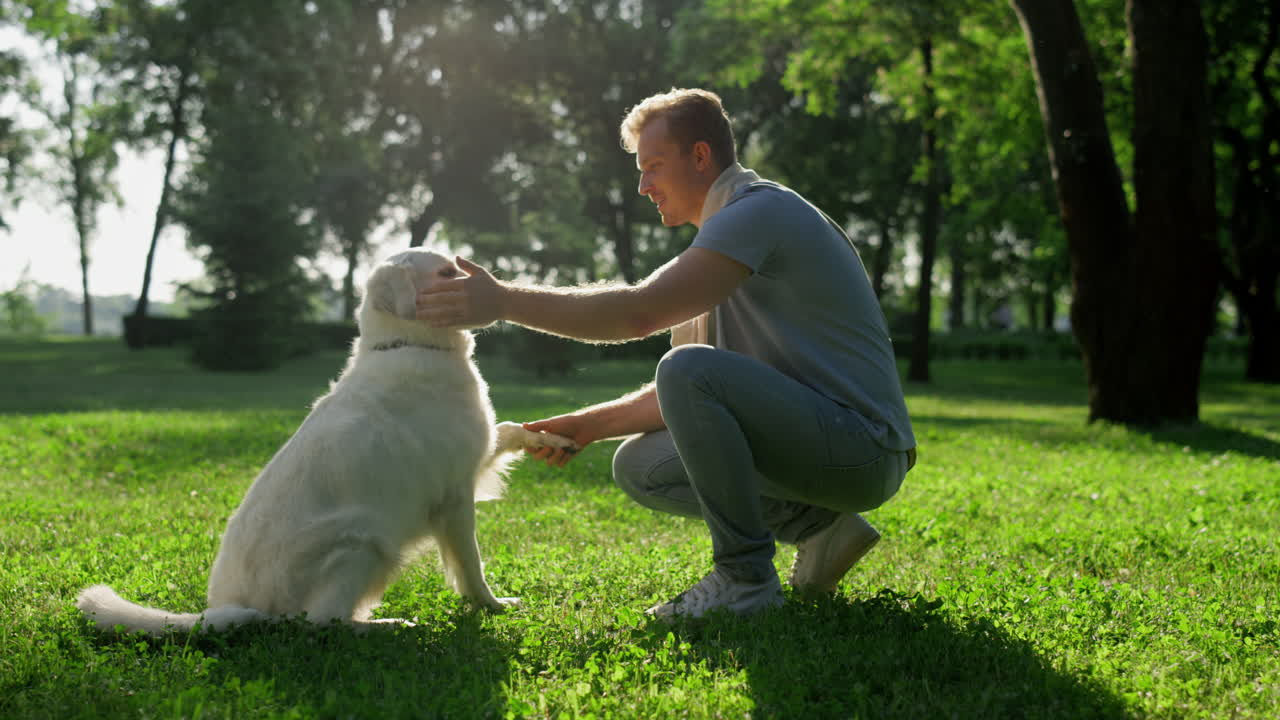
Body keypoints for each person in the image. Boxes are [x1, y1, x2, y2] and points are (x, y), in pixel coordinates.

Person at [415, 88, 916, 619]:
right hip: (822, 445)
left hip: (863, 448)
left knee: (685, 366)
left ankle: (744, 579)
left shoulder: (760, 211)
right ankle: (821, 530)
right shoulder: (722, 243)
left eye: (653, 166)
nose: (643, 185)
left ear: (701, 156)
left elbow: (640, 315)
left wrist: (503, 300)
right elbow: (691, 396)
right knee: (641, 464)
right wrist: (587, 425)